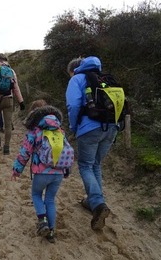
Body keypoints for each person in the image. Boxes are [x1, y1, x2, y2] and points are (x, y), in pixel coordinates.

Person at [65, 56, 117, 230]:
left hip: (89, 128)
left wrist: (73, 126)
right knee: (96, 164)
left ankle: (98, 205)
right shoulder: (105, 78)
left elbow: (73, 105)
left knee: (85, 165)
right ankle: (94, 201)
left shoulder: (77, 79)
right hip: (111, 127)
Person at [11, 99, 71, 243]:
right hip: (58, 173)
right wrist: (66, 170)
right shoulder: (60, 130)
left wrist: (16, 170)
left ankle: (42, 220)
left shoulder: (35, 132)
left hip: (41, 172)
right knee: (50, 200)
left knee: (36, 194)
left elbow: (25, 152)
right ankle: (51, 231)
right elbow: (66, 150)